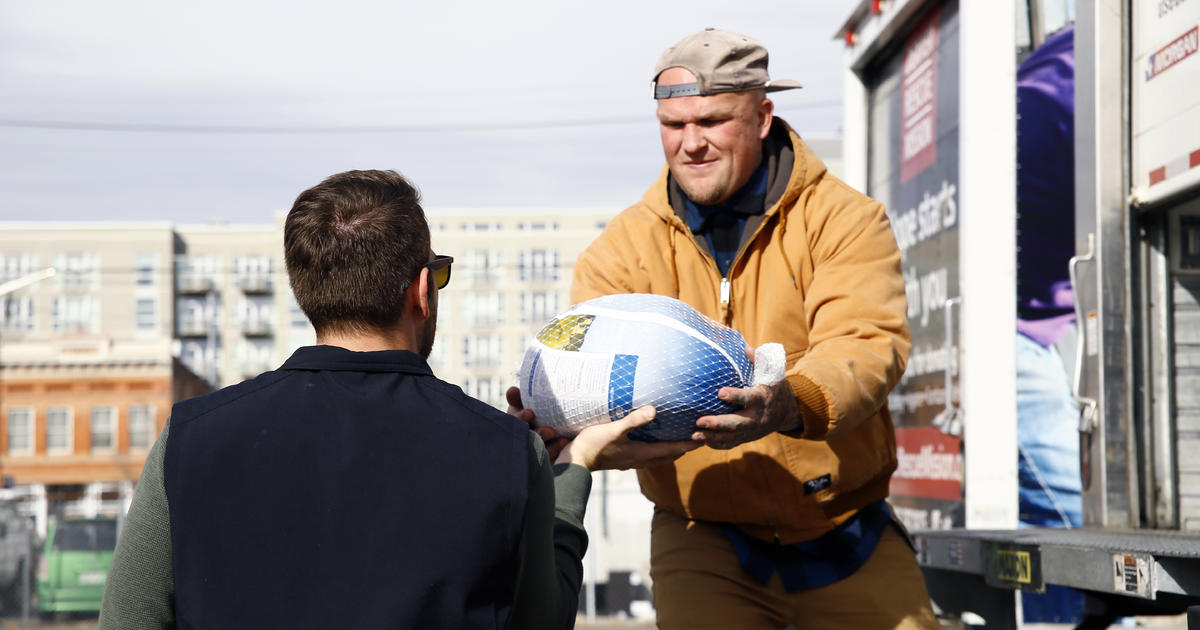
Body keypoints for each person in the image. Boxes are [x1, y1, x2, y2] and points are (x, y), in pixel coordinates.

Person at [98, 169, 698, 629]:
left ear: (306, 292)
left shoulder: (192, 437)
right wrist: (568, 472)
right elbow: (542, 618)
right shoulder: (507, 454)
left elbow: (130, 618)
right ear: (420, 290)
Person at [515, 29, 940, 629]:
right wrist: (559, 415)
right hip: (701, 535)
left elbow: (866, 346)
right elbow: (595, 370)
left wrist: (790, 402)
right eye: (673, 124)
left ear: (763, 116)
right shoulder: (620, 250)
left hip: (844, 524)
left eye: (712, 121)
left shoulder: (844, 219)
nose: (691, 144)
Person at [1014, 25, 1085, 624]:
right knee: (1077, 526)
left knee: (1055, 530)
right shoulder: (1074, 78)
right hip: (1007, 332)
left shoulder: (1066, 49)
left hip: (1041, 325)